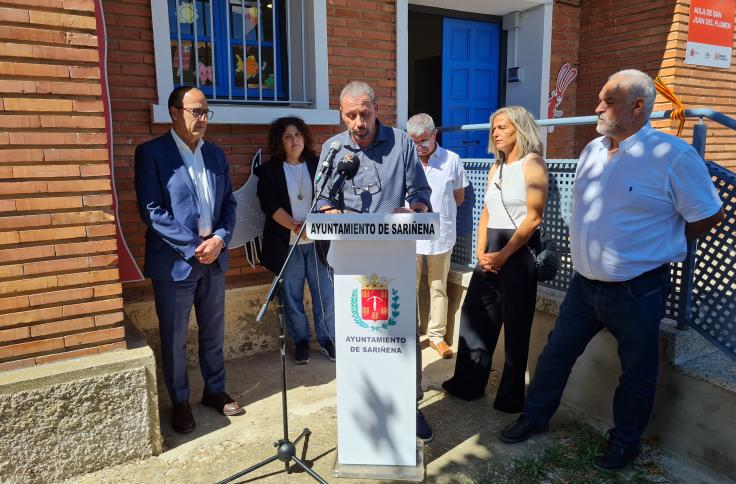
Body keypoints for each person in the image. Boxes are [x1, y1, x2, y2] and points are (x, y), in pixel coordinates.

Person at [499, 70, 724, 471]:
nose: (597, 107)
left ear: (639, 106)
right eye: (600, 99)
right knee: (554, 355)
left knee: (637, 372)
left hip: (638, 289)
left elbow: (707, 214)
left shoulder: (671, 156)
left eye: (609, 101)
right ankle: (534, 417)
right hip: (584, 286)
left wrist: (659, 242)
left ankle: (624, 443)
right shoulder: (591, 151)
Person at [318, 80, 434, 442]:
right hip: (352, 259)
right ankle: (359, 406)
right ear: (341, 114)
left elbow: (420, 190)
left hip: (394, 256)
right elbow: (323, 198)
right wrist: (327, 209)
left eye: (364, 114)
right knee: (360, 334)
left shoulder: (401, 144)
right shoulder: (333, 148)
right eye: (350, 115)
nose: (358, 122)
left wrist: (417, 206)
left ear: (376, 109)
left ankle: (408, 405)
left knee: (401, 333)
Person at [135, 86, 244, 434]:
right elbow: (152, 211)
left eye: (206, 112)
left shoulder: (215, 155)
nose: (202, 119)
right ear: (174, 112)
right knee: (174, 336)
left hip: (214, 258)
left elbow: (229, 204)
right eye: (195, 111)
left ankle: (214, 391)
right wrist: (195, 245)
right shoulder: (152, 153)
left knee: (213, 332)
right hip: (175, 263)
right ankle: (180, 401)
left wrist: (220, 239)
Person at [441, 106, 548, 413]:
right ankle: (467, 383)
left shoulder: (533, 164)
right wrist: (480, 252)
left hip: (518, 251)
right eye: (494, 129)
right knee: (474, 318)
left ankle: (511, 399)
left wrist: (502, 255)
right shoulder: (496, 168)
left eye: (502, 127)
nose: (496, 133)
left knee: (516, 327)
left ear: (521, 129)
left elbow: (533, 218)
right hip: (491, 253)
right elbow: (487, 213)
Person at [255, 116, 336, 365]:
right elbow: (269, 204)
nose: (294, 140)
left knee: (324, 293)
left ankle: (327, 339)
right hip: (286, 244)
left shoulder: (318, 165)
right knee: (292, 295)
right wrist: (294, 225)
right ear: (280, 141)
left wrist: (316, 226)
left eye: (298, 135)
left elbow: (331, 198)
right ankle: (301, 340)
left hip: (317, 243)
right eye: (288, 136)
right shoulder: (269, 171)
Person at [407, 113, 468, 359]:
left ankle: (436, 337)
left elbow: (458, 197)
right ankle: (409, 335)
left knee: (438, 287)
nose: (419, 146)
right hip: (410, 237)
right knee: (408, 287)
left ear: (434, 135)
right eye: (413, 141)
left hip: (441, 236)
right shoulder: (406, 160)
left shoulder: (452, 160)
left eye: (423, 140)